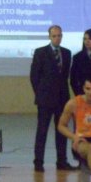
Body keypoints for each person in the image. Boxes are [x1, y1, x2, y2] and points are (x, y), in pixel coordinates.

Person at [30, 24, 75, 172]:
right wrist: (40, 94)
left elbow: (65, 76)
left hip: (62, 99)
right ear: (49, 37)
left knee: (61, 130)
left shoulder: (67, 53)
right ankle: (38, 162)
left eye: (59, 35)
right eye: (54, 36)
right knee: (42, 131)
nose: (57, 38)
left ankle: (62, 161)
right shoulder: (40, 52)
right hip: (45, 99)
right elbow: (34, 76)